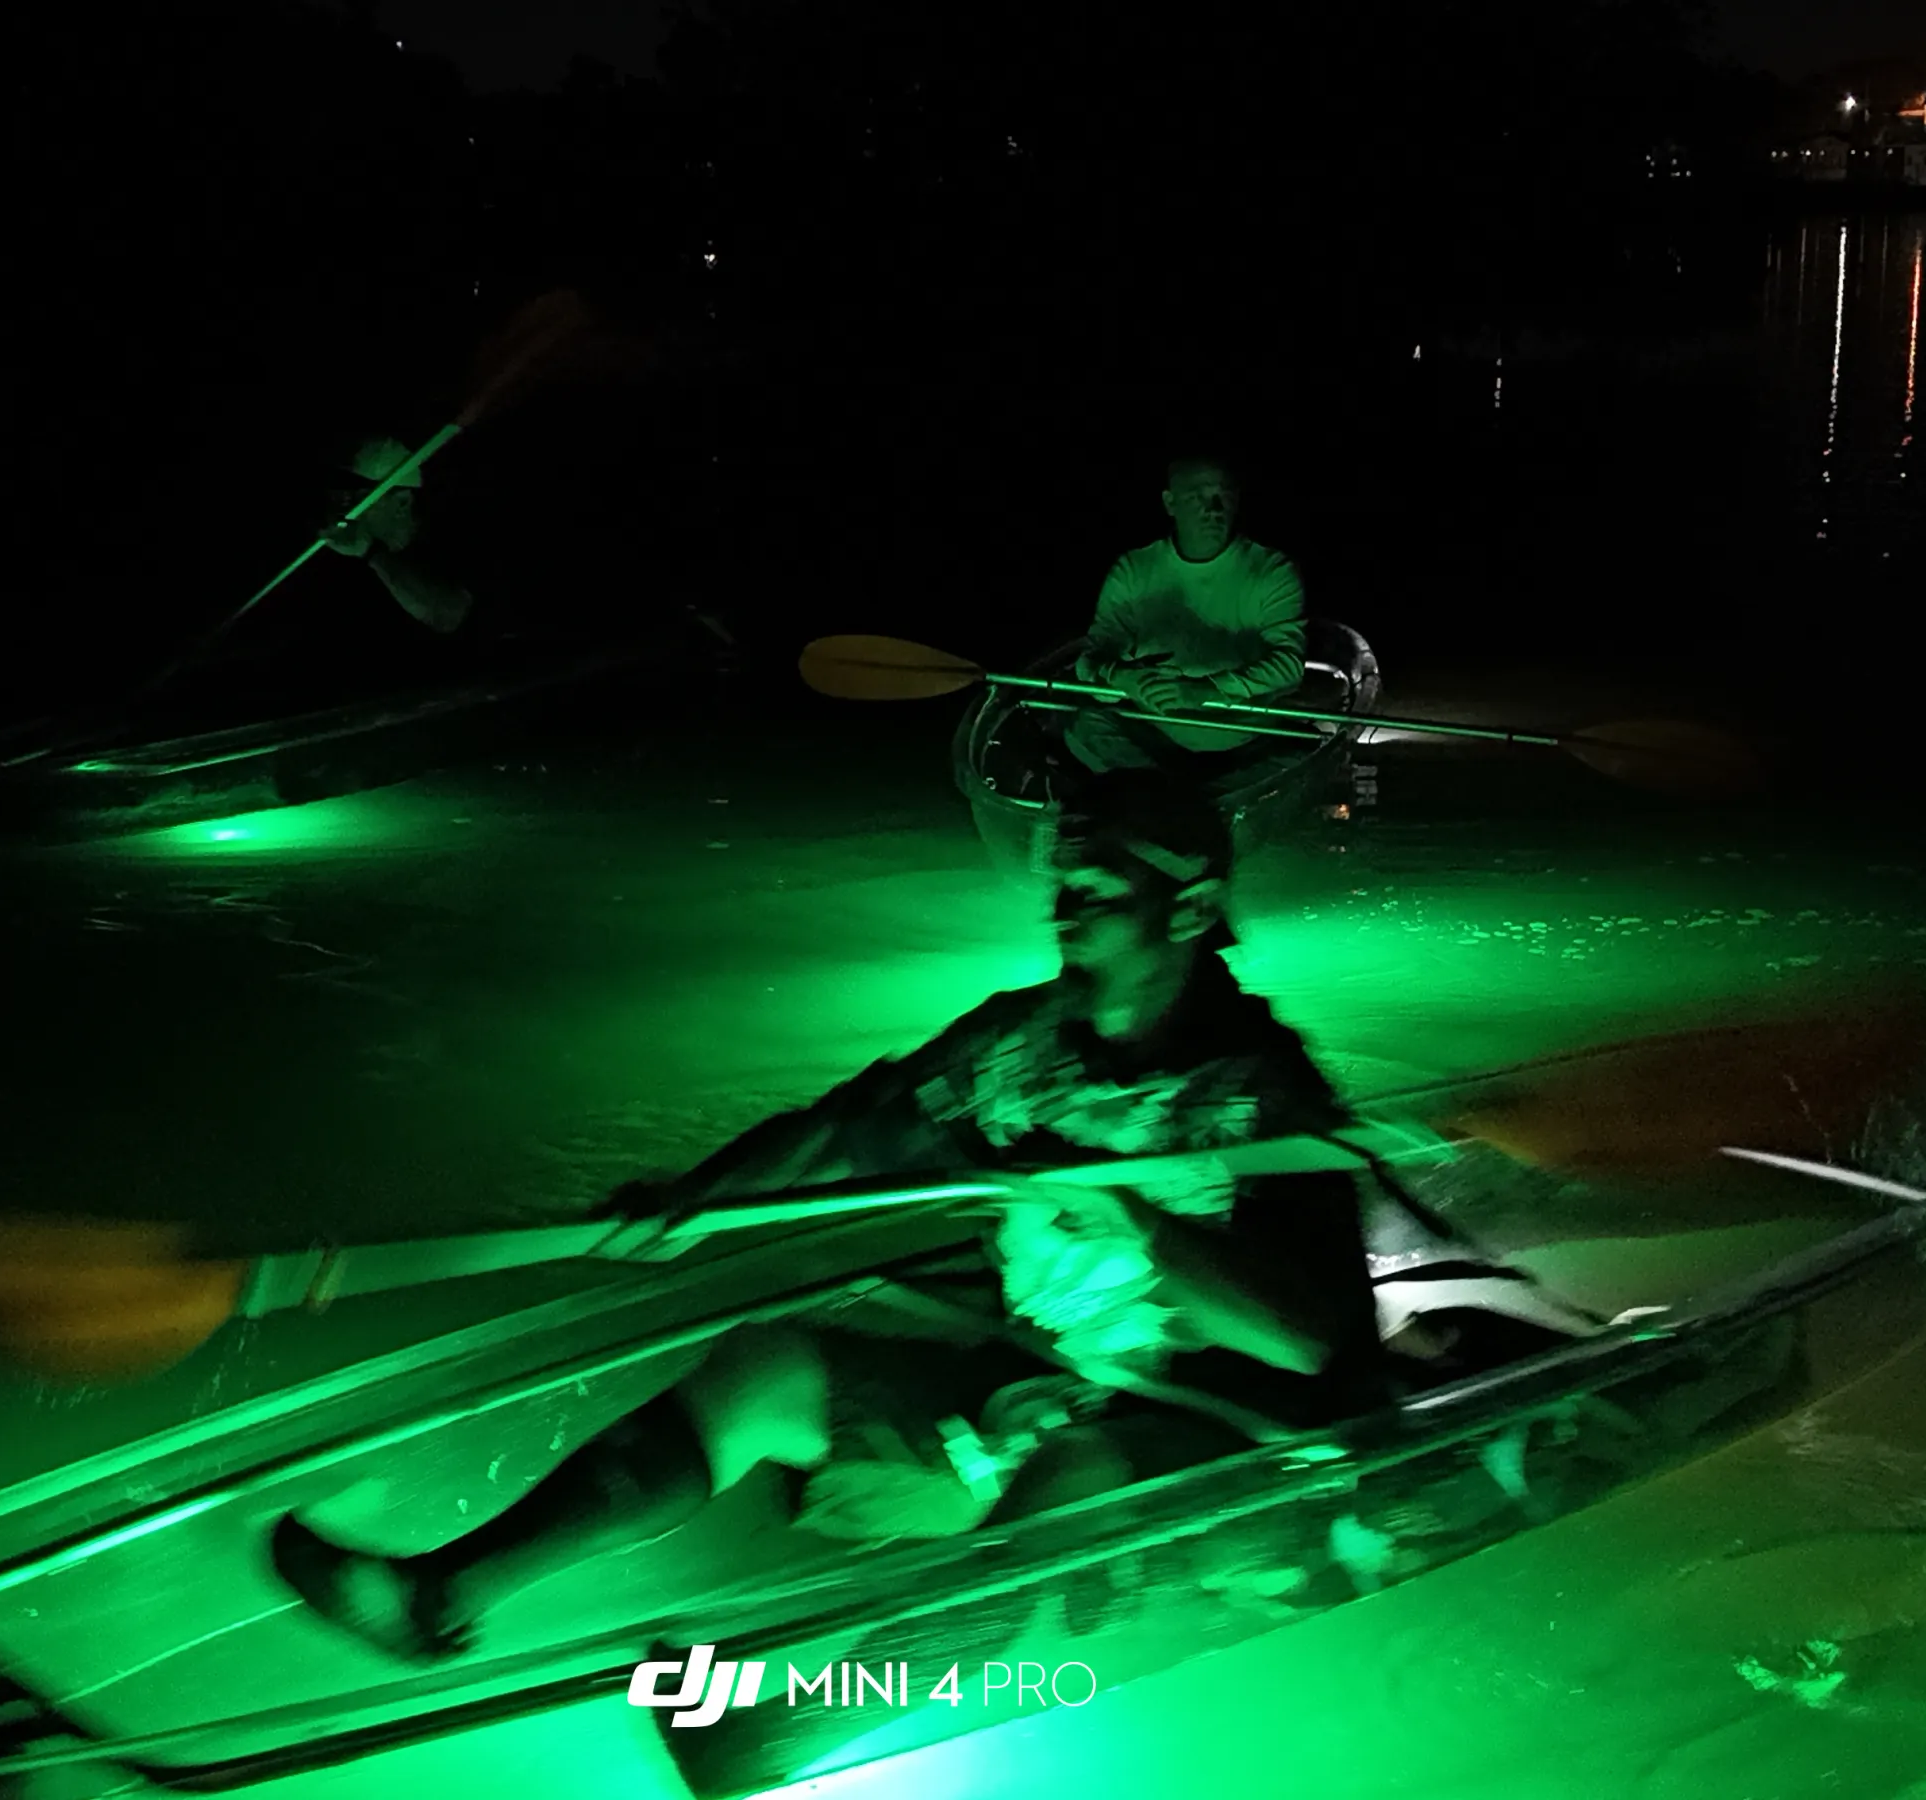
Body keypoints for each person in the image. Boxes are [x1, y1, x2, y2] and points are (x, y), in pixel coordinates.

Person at [267, 769, 1389, 1662]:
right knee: (762, 1369)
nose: (1063, 915)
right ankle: (441, 1596)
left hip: (1210, 1443)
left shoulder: (1265, 1094)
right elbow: (849, 1126)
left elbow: (1303, 1335)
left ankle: (831, 1704)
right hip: (1037, 1389)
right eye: (1060, 889)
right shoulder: (1015, 1042)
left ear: (1189, 907)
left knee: (1085, 1469)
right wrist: (697, 1202)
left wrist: (1134, 1219)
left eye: (1095, 894)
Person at [1063, 455, 1312, 789]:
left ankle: (1163, 801)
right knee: (1086, 727)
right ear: (1170, 502)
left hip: (1246, 738)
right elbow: (1091, 658)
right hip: (1153, 731)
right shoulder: (1133, 572)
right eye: (1197, 496)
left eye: (1222, 495)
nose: (1213, 508)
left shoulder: (1272, 571)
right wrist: (1122, 679)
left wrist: (1206, 691)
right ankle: (1174, 799)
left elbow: (1289, 665)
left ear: (1236, 499)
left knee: (1302, 747)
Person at [317, 433, 476, 635]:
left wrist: (371, 552)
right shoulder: (339, 558)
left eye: (357, 491)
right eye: (337, 487)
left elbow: (449, 616)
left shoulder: (455, 542)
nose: (340, 501)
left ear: (402, 502)